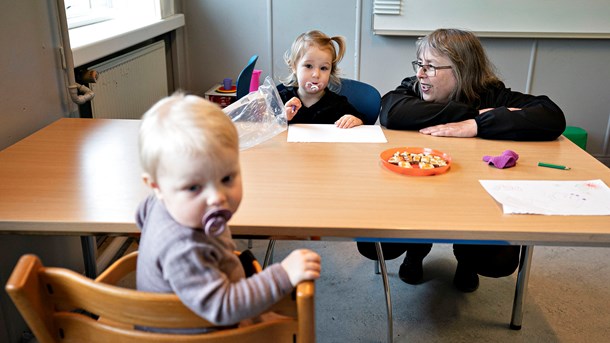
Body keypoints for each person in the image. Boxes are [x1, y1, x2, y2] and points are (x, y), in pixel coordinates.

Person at [358, 28, 566, 292]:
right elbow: (391, 111)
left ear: (461, 70)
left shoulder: (490, 93)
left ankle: (466, 259)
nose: (421, 73)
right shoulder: (415, 85)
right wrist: (472, 115)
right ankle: (417, 249)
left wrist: (478, 126)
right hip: (416, 195)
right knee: (372, 244)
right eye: (420, 64)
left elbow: (551, 116)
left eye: (431, 66)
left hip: (473, 197)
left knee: (498, 261)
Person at [135, 93, 321, 332]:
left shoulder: (158, 202)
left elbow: (141, 217)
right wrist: (283, 274)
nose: (217, 197)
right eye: (194, 187)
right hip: (199, 333)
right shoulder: (185, 248)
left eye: (226, 178)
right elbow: (223, 306)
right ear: (156, 187)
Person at [279, 30, 367, 128]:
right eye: (308, 66)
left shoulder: (337, 104)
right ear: (294, 67)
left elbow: (362, 120)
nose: (316, 74)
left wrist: (354, 120)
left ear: (331, 71)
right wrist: (282, 118)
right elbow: (264, 126)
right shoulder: (282, 100)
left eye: (323, 68)